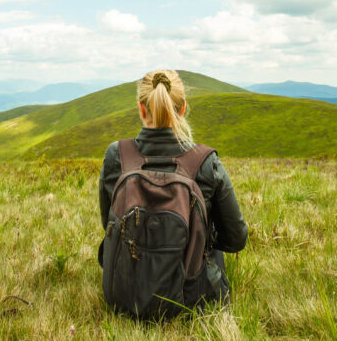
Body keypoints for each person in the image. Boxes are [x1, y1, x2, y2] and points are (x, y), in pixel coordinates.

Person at [98, 69, 248, 311]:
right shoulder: (206, 162)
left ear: (141, 108)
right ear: (182, 108)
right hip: (192, 299)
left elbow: (109, 224)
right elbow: (236, 238)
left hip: (124, 297)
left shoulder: (116, 156)